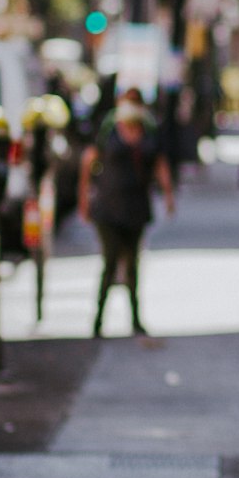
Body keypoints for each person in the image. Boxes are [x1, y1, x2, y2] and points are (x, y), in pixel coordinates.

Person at [78, 95, 175, 337]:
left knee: (132, 265)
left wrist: (168, 194)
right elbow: (88, 162)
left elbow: (160, 164)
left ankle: (135, 320)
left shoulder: (150, 133)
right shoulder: (108, 131)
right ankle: (98, 321)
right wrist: (84, 201)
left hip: (136, 208)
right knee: (110, 263)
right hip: (108, 208)